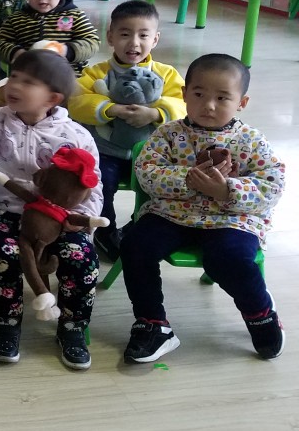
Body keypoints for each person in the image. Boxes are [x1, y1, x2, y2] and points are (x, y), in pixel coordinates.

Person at [0, 50, 103, 369]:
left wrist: (82, 224)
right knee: (0, 253)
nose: (14, 85)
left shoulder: (75, 136)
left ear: (52, 98)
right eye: (13, 76)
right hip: (6, 211)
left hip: (60, 217)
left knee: (81, 259)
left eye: (28, 82)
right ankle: (7, 323)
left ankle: (72, 327)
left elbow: (91, 187)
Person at [121, 54, 285, 364]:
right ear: (184, 94)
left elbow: (272, 186)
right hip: (172, 214)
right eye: (199, 94)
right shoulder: (168, 134)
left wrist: (226, 190)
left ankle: (260, 312)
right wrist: (188, 180)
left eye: (222, 98)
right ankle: (153, 323)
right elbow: (147, 172)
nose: (208, 105)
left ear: (242, 102)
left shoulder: (251, 141)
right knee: (135, 245)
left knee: (229, 257)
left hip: (231, 219)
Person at [68, 0, 186, 260]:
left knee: (161, 188)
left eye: (143, 35)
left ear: (155, 39)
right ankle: (105, 230)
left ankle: (137, 227)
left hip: (153, 154)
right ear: (110, 37)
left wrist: (156, 113)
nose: (134, 43)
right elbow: (76, 103)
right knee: (99, 184)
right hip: (106, 151)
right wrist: (112, 109)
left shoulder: (166, 74)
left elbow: (182, 104)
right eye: (125, 34)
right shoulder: (96, 72)